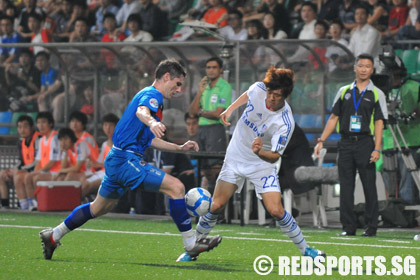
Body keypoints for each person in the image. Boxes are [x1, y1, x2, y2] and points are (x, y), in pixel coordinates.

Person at [39, 58, 222, 261]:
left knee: (98, 208)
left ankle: (53, 235)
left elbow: (149, 140)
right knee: (176, 187)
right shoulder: (152, 95)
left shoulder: (152, 99)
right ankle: (191, 244)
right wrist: (152, 121)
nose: (179, 89)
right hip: (126, 160)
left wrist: (178, 147)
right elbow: (141, 111)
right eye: (177, 84)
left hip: (117, 159)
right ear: (167, 77)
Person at [177, 66, 325, 262]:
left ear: (285, 96)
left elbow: (274, 156)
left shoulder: (285, 122)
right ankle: (191, 250)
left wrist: (259, 152)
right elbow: (247, 94)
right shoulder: (259, 89)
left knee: (276, 211)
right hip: (236, 155)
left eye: (277, 95)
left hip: (261, 164)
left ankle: (307, 251)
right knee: (216, 206)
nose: (271, 98)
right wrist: (230, 109)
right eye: (270, 93)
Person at [314, 54, 388, 237]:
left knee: (369, 186)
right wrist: (321, 140)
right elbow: (333, 118)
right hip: (345, 143)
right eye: (360, 65)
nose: (363, 69)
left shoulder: (377, 94)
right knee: (346, 186)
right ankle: (348, 227)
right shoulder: (344, 91)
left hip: (365, 143)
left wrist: (377, 148)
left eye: (367, 66)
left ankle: (371, 227)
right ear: (355, 68)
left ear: (372, 70)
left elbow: (379, 123)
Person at [188, 57, 232, 193]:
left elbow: (218, 113)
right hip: (202, 129)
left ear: (220, 70)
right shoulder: (204, 87)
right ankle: (205, 199)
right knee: (205, 166)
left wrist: (200, 112)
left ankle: (218, 202)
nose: (211, 70)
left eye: (214, 67)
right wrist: (200, 92)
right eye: (208, 67)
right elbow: (192, 112)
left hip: (215, 129)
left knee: (216, 166)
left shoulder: (225, 87)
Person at [381, 63, 420, 205]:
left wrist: (411, 115)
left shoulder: (414, 87)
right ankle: (392, 210)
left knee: (408, 179)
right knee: (389, 179)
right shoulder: (382, 90)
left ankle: (408, 212)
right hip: (389, 140)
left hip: (410, 141)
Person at [0, 115, 41, 209]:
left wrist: (19, 170)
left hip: (34, 170)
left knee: (18, 175)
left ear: (32, 127)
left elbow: (37, 161)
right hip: (25, 169)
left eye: (25, 126)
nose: (22, 130)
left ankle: (24, 204)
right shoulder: (21, 142)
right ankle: (5, 205)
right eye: (19, 127)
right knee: (2, 174)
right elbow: (20, 161)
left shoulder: (38, 139)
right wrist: (11, 170)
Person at [24, 111, 61, 211]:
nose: (41, 125)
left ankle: (40, 202)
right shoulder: (41, 140)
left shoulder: (55, 137)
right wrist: (35, 172)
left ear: (50, 124)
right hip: (45, 171)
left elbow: (52, 161)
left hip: (55, 171)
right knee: (28, 177)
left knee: (37, 178)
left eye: (43, 122)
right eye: (39, 122)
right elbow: (39, 161)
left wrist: (38, 173)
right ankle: (32, 203)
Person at [81, 113, 119, 199]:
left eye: (111, 125)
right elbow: (100, 163)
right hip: (102, 173)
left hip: (112, 176)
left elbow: (118, 165)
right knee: (82, 179)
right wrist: (93, 164)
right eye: (105, 125)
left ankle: (73, 206)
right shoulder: (105, 144)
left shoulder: (120, 144)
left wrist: (100, 165)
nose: (108, 128)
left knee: (87, 185)